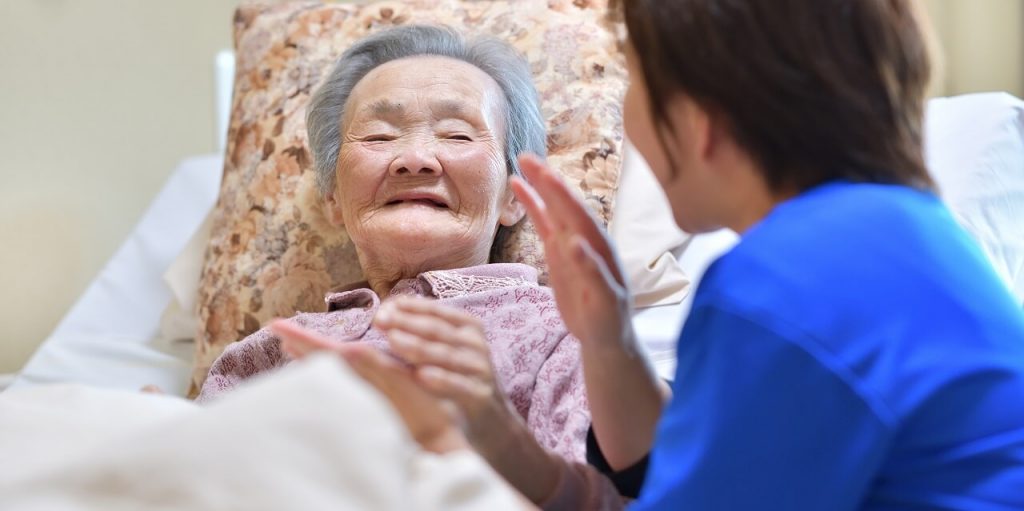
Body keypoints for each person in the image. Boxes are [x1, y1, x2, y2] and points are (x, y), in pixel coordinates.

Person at [278, 0, 1024, 509]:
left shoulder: (785, 283)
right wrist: (608, 338)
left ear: (703, 113)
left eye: (635, 84)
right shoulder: (892, 235)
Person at [196, 25, 597, 497]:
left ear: (514, 196)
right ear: (333, 198)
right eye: (380, 136)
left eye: (457, 134)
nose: (415, 159)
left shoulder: (565, 335)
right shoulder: (267, 351)